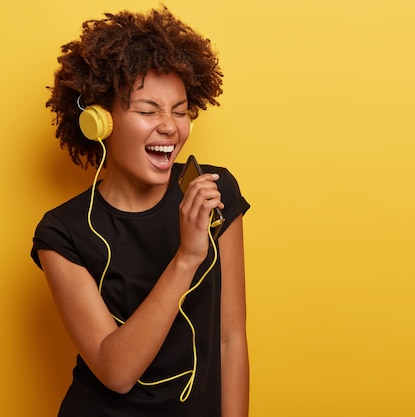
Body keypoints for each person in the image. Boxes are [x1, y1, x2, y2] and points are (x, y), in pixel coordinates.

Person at [30, 7, 250, 417]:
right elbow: (116, 372)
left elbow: (230, 340)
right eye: (148, 111)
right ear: (101, 121)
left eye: (180, 111)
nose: (169, 127)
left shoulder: (214, 192)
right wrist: (186, 257)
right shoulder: (62, 233)